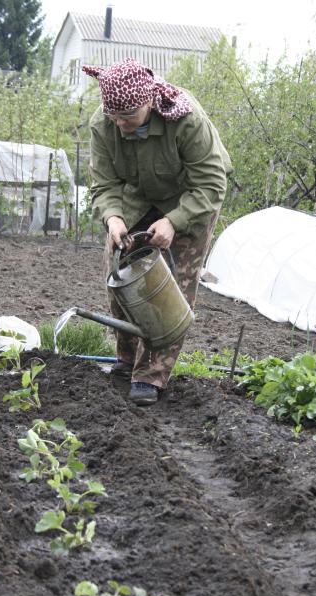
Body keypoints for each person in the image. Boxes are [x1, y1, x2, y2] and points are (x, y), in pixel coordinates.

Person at [83, 58, 232, 406]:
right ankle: (125, 359)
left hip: (191, 198)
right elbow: (104, 183)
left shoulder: (186, 120)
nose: (119, 126)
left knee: (173, 287)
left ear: (148, 103)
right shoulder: (103, 124)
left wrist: (173, 222)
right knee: (119, 274)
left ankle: (152, 374)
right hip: (138, 196)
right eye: (113, 116)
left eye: (127, 117)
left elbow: (211, 184)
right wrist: (113, 218)